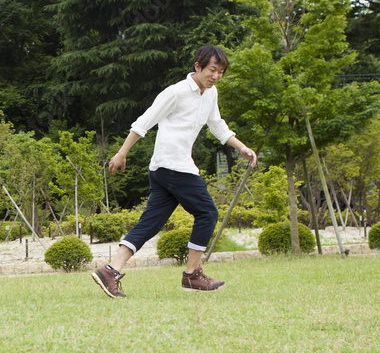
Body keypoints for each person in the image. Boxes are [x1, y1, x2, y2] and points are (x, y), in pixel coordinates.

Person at [92, 45, 257, 299]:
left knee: (150, 224)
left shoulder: (210, 94)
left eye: (221, 72)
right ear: (198, 66)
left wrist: (242, 147)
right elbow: (145, 121)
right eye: (213, 70)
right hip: (173, 165)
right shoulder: (176, 92)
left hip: (166, 169)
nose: (216, 76)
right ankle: (192, 275)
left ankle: (109, 270)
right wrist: (122, 152)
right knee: (207, 212)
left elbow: (217, 125)